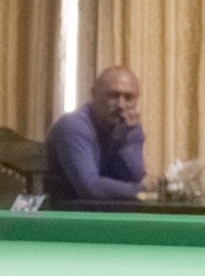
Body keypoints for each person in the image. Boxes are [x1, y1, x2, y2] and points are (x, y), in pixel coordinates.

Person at [45, 67, 145, 202]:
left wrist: (127, 138)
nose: (121, 105)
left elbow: (135, 176)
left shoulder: (130, 128)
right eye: (113, 95)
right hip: (67, 211)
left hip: (111, 210)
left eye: (129, 98)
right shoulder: (74, 126)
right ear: (93, 94)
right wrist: (145, 191)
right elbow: (90, 188)